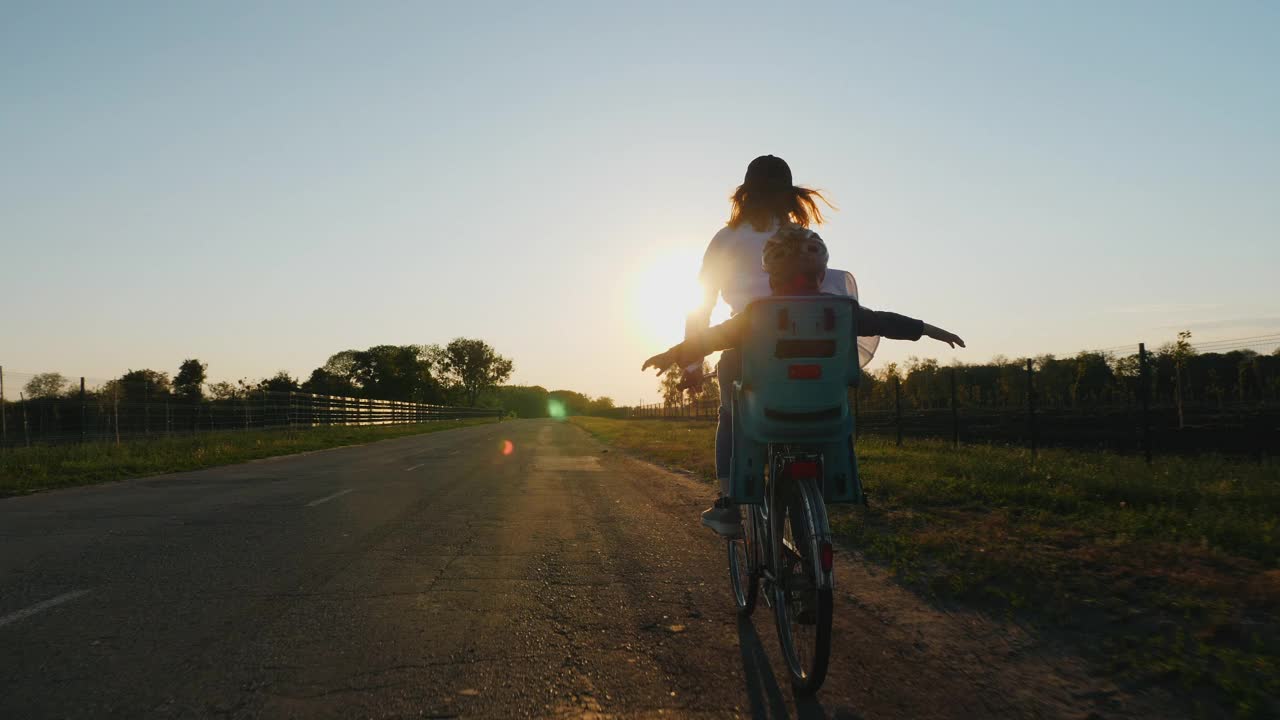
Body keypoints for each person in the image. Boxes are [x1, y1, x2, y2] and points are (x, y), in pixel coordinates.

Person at [646, 222, 964, 537]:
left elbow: (712, 339)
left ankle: (730, 500)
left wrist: (672, 355)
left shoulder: (757, 313)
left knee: (731, 410)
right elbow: (885, 322)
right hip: (827, 417)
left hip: (766, 417)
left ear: (770, 278)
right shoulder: (841, 311)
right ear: (822, 275)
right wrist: (928, 329)